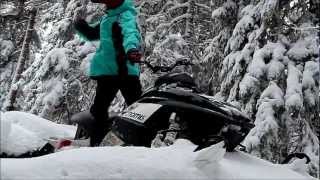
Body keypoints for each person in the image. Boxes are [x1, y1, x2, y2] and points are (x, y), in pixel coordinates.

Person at [72, 0, 143, 146]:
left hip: (124, 72)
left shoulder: (124, 15)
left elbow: (130, 33)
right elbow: (93, 34)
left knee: (138, 110)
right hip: (109, 73)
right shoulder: (108, 17)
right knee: (99, 110)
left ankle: (141, 145)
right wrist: (82, 27)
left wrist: (131, 49)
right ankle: (96, 144)